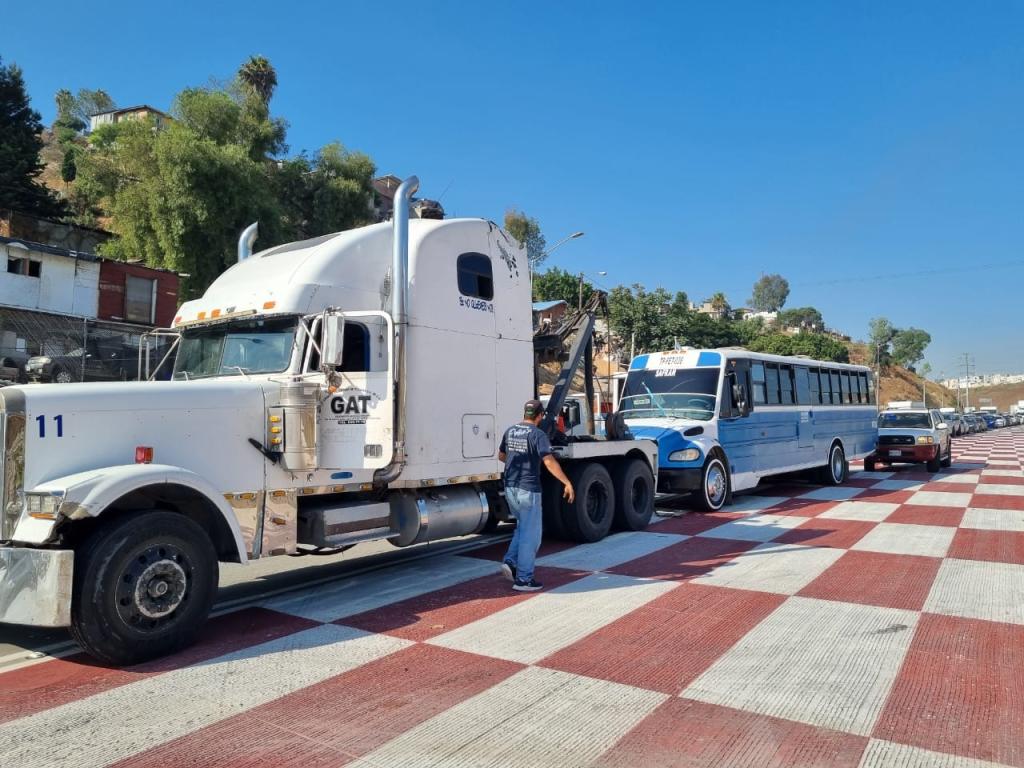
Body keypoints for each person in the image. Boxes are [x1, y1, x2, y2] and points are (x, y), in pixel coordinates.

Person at [498, 399, 575, 591]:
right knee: (531, 536)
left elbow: (501, 456)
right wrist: (566, 482)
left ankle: (511, 562)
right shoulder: (537, 434)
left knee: (522, 527)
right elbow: (549, 462)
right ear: (540, 416)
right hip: (528, 489)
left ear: (525, 413)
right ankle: (523, 579)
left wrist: (518, 460)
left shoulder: (511, 431)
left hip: (510, 487)